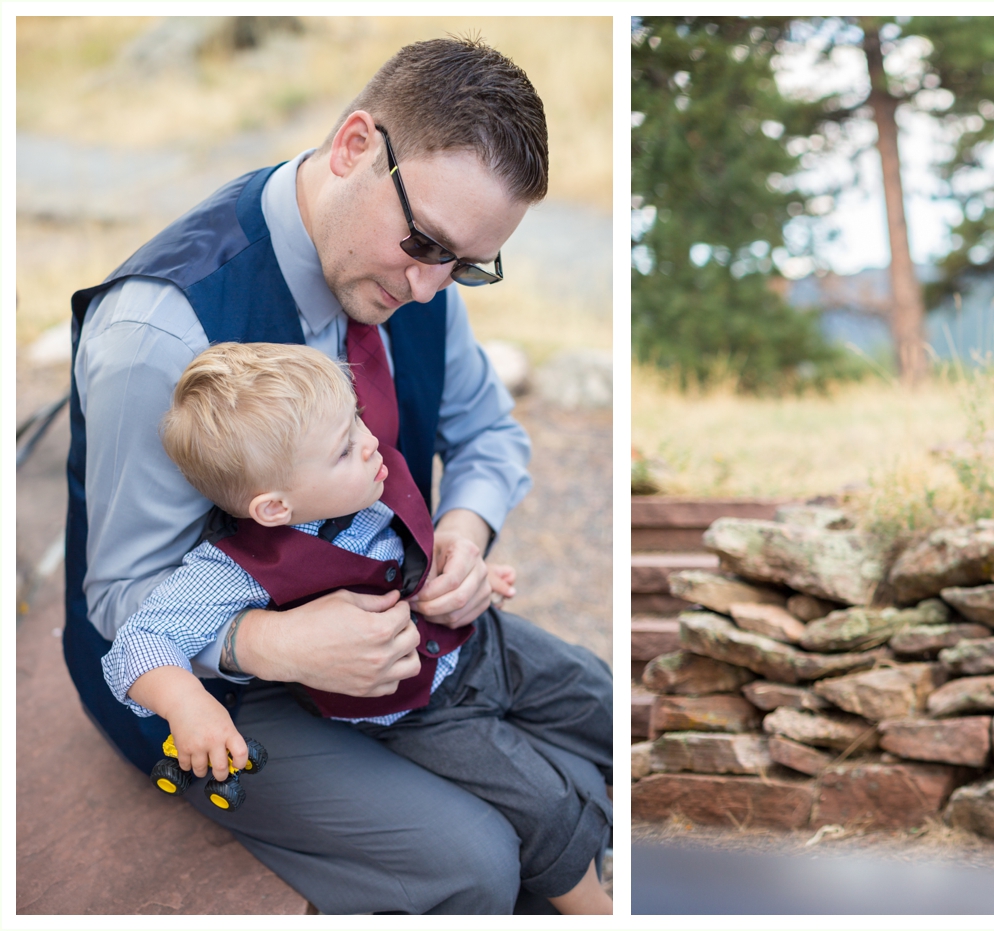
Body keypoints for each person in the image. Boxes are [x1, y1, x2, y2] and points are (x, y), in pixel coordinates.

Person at [65, 37, 611, 914]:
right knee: (475, 860)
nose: (433, 288)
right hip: (207, 682)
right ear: (356, 145)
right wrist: (275, 645)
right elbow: (125, 594)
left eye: (465, 263)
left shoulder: (414, 269)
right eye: (426, 243)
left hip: (404, 640)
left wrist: (464, 538)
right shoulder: (156, 335)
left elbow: (489, 434)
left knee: (603, 719)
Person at [103, 343, 610, 914]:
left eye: (357, 420)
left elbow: (407, 549)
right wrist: (189, 705)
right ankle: (598, 910)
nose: (369, 443)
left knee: (597, 693)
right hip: (422, 713)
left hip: (484, 641)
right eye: (344, 447)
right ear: (274, 507)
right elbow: (137, 644)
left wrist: (466, 570)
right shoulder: (233, 569)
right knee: (542, 805)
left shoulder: (367, 477)